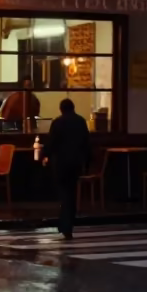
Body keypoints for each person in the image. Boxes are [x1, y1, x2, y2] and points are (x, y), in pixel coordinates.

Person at [43, 97, 91, 240]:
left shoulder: (57, 122)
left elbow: (51, 143)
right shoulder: (81, 121)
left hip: (60, 163)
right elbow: (86, 144)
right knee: (71, 193)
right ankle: (68, 224)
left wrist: (45, 155)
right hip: (75, 163)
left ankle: (65, 224)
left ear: (61, 109)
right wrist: (87, 163)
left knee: (64, 194)